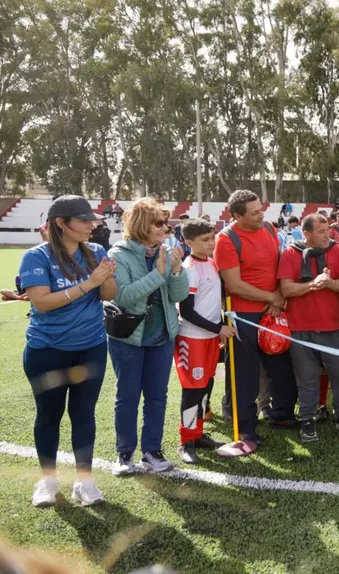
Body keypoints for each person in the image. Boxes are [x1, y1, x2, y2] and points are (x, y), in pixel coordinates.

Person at [20, 195, 118, 507]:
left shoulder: (97, 252)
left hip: (90, 348)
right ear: (61, 224)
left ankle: (84, 483)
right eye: (84, 220)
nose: (92, 225)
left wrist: (106, 279)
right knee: (49, 415)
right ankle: (48, 481)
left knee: (84, 414)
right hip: (47, 350)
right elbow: (42, 303)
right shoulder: (36, 257)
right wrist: (90, 283)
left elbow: (109, 294)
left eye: (92, 219)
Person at [107, 198, 190, 476]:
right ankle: (124, 453)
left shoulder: (166, 250)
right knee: (128, 396)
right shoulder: (118, 254)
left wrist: (176, 272)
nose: (166, 228)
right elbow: (125, 297)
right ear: (142, 225)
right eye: (159, 223)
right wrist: (159, 274)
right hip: (129, 337)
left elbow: (178, 296)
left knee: (157, 397)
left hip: (162, 336)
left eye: (166, 223)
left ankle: (152, 451)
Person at [215, 190, 298, 452]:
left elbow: (277, 268)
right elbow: (234, 285)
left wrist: (278, 299)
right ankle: (246, 427)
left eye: (261, 209)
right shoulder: (226, 240)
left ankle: (281, 414)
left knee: (281, 365)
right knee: (245, 374)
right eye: (254, 213)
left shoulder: (271, 229)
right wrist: (271, 297)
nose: (262, 214)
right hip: (243, 316)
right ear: (237, 216)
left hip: (272, 312)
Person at [278, 213, 339, 443]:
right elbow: (286, 290)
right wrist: (313, 284)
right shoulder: (291, 253)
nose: (327, 235)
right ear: (307, 234)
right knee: (307, 379)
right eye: (321, 232)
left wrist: (329, 283)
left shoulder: (338, 251)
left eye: (328, 230)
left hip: (333, 328)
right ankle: (308, 420)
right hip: (300, 329)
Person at [175, 219, 234, 464]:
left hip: (210, 338)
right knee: (193, 391)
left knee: (206, 387)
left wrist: (218, 327)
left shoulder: (211, 263)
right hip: (193, 338)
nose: (211, 243)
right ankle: (186, 441)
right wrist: (218, 327)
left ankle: (198, 434)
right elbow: (186, 311)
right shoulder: (189, 268)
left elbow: (211, 302)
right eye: (205, 240)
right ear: (188, 243)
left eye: (212, 238)